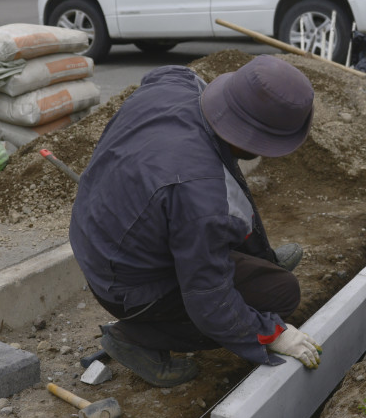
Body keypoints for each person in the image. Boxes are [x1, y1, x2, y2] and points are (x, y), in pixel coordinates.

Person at [68, 55, 324, 387]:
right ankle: (135, 336)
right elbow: (209, 302)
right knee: (281, 294)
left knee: (248, 261)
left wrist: (261, 260)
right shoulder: (201, 194)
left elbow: (162, 76)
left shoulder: (178, 82)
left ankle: (260, 263)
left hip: (101, 235)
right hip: (125, 283)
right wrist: (270, 334)